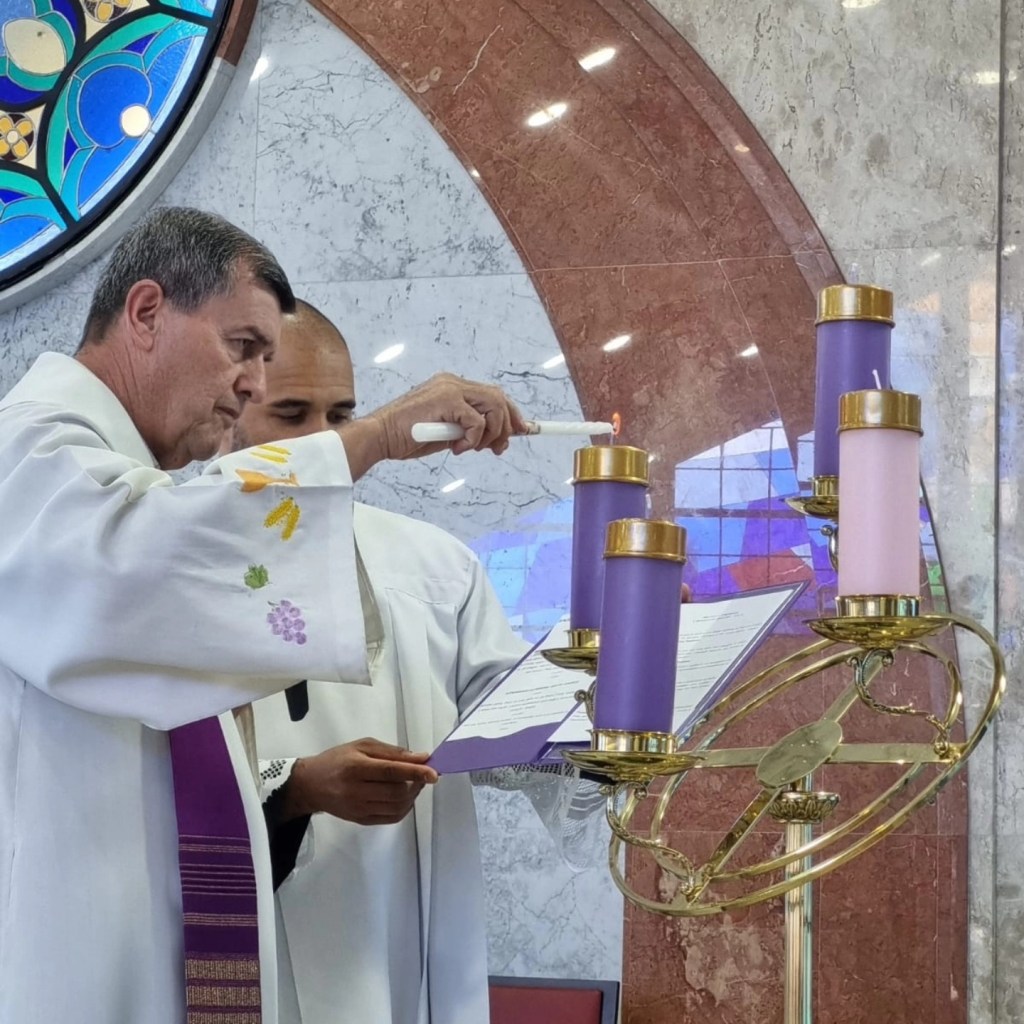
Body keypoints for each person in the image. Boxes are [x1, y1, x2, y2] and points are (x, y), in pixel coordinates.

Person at [0, 207, 525, 1024]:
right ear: (145, 312)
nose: (251, 384)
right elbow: (145, 560)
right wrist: (380, 435)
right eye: (242, 348)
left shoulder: (115, 471)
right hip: (69, 940)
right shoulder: (30, 450)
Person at [235, 300, 531, 1024]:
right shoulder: (168, 558)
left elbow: (519, 732)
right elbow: (141, 786)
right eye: (291, 413)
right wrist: (294, 788)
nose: (323, 441)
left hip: (397, 923)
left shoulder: (431, 566)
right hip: (251, 942)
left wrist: (613, 660)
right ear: (230, 410)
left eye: (341, 416)